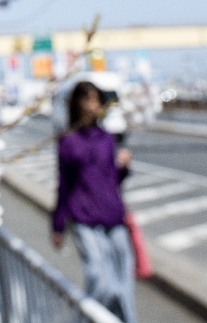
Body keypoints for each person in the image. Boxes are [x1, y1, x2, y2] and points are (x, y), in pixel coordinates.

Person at [52, 80, 136, 323]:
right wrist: (58, 224)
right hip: (84, 216)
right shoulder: (68, 140)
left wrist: (124, 167)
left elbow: (113, 179)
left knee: (123, 282)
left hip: (113, 214)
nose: (91, 105)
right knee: (100, 279)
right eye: (86, 99)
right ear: (76, 104)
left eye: (96, 100)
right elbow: (64, 184)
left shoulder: (108, 138)